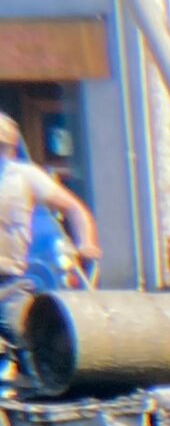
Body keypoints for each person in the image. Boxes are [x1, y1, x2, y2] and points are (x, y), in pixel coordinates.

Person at [0, 112, 101, 372]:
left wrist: (86, 244)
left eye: (3, 145)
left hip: (8, 285)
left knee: (34, 338)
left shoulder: (24, 176)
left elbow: (74, 209)